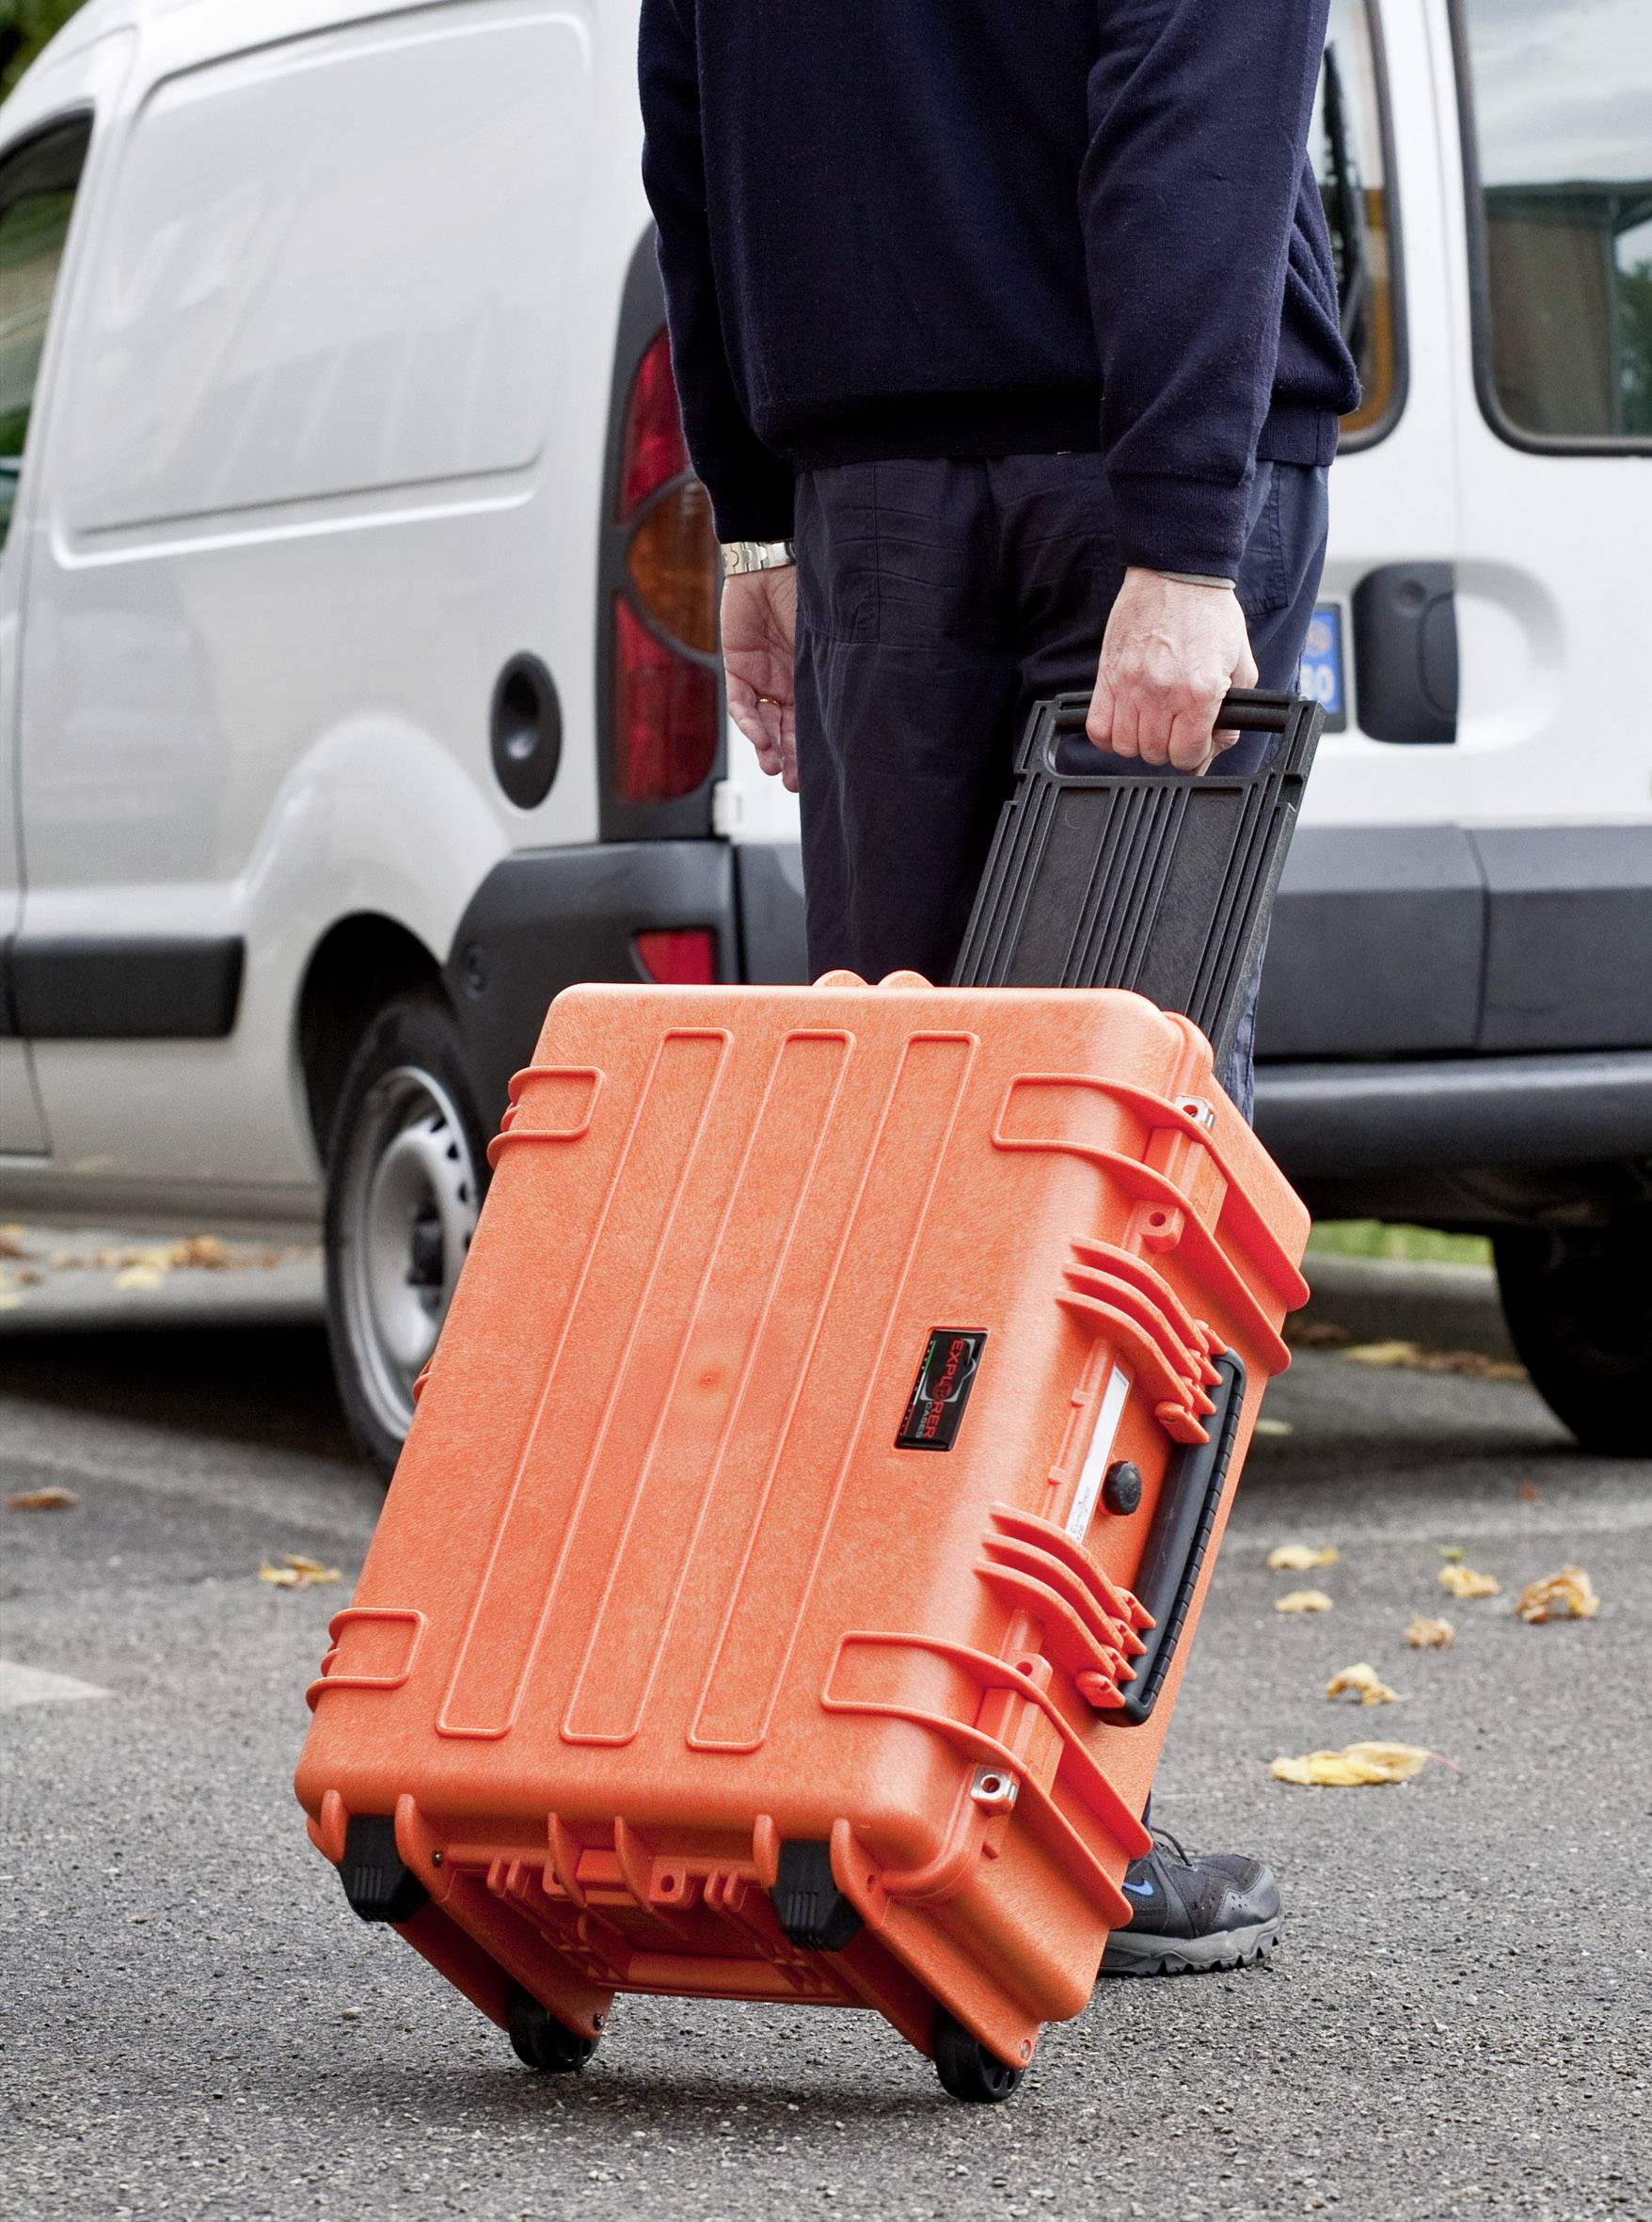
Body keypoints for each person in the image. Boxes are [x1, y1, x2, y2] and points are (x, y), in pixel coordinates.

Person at [639, 1, 1358, 1976]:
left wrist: (758, 513)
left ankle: (868, 1764)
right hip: (1122, 493)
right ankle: (1031, 1808)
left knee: (913, 1169)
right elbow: (1195, 116)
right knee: (1113, 1181)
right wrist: (1186, 532)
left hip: (871, 500)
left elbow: (685, 118)